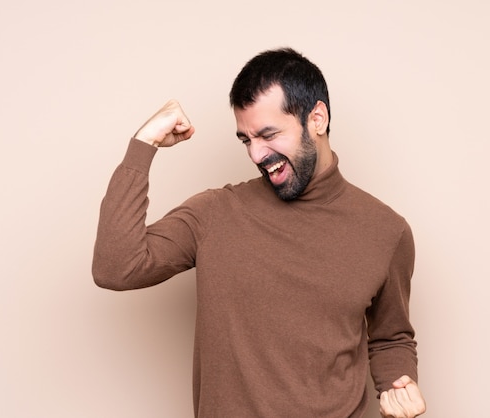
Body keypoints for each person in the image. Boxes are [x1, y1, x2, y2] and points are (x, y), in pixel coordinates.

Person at [92, 48, 426, 418]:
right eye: (245, 139)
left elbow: (391, 337)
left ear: (317, 118)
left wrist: (400, 382)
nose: (255, 154)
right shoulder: (215, 213)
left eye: (268, 134)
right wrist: (144, 144)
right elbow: (116, 267)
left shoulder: (386, 231)